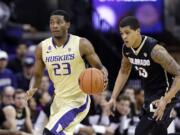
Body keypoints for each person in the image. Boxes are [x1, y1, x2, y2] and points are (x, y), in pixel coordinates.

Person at [26, 10, 108, 135]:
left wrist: (104, 76)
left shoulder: (82, 44)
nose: (55, 25)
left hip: (78, 101)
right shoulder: (42, 48)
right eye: (52, 23)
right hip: (58, 100)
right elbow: (37, 75)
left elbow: (100, 67)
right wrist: (32, 90)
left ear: (68, 24)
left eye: (59, 22)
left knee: (50, 132)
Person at [106, 16, 180, 135]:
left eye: (127, 33)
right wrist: (113, 97)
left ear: (137, 31)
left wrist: (165, 100)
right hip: (149, 93)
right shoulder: (127, 50)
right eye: (121, 33)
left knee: (141, 131)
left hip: (165, 92)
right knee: (158, 130)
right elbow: (124, 71)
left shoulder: (155, 50)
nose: (124, 37)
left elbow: (179, 75)